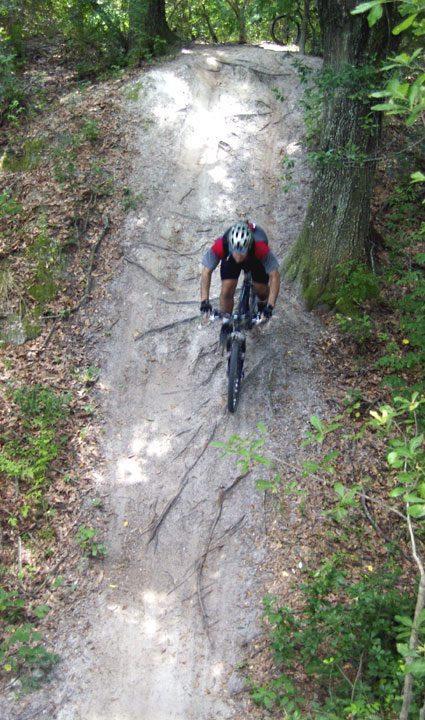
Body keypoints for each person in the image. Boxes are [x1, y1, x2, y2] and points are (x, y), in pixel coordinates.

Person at [199, 221, 280, 321]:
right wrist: (204, 301)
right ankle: (226, 322)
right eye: (235, 251)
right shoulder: (222, 245)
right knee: (227, 290)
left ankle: (262, 303)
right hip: (230, 258)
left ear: (248, 247)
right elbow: (206, 271)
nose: (238, 256)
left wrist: (270, 306)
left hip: (255, 259)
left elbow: (274, 275)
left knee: (261, 289)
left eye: (242, 252)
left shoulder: (260, 248)